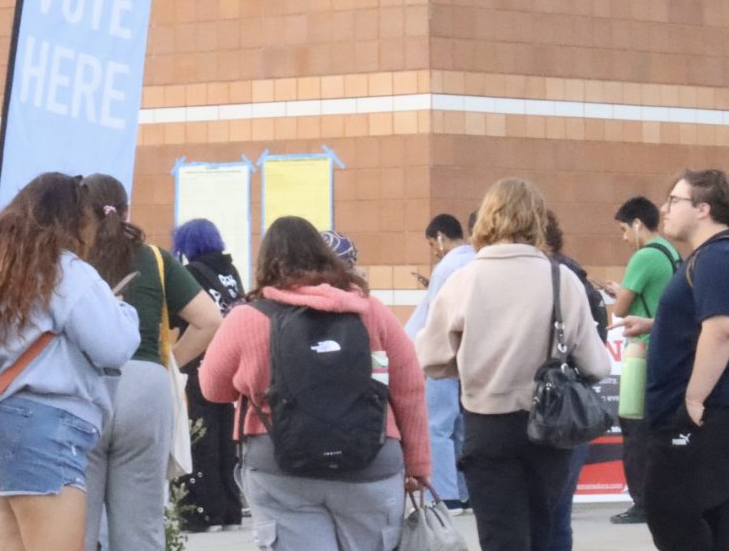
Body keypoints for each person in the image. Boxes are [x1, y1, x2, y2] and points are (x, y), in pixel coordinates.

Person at [0, 172, 140, 551]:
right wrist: (125, 312)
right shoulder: (66, 271)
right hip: (44, 430)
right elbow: (114, 345)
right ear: (74, 221)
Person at [200, 216, 430, 551]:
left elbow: (212, 389)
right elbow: (408, 387)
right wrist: (419, 465)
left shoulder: (247, 318)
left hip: (279, 466)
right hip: (371, 461)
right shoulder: (370, 311)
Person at [417, 179, 610, 551]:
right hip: (549, 427)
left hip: (486, 425)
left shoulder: (463, 279)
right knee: (545, 530)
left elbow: (432, 360)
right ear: (538, 220)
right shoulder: (561, 279)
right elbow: (596, 364)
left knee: (500, 537)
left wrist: (473, 362)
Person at [633, 169, 729, 551]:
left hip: (714, 410)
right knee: (724, 518)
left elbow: (722, 330)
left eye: (674, 201)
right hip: (726, 408)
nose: (664, 209)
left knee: (669, 506)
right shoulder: (717, 256)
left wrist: (693, 399)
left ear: (703, 208)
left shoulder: (720, 256)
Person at [81, 174, 223, 551]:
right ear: (126, 210)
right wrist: (167, 362)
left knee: (80, 525)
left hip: (84, 387)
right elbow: (209, 320)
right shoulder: (156, 259)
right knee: (141, 527)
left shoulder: (72, 259)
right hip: (147, 386)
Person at [598, 196, 680, 525]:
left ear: (637, 224)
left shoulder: (643, 256)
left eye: (623, 230)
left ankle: (642, 501)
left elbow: (620, 311)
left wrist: (619, 294)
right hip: (665, 348)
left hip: (642, 349)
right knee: (656, 428)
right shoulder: (669, 251)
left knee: (634, 428)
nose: (622, 238)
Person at [171, 218, 245, 533]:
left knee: (199, 435)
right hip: (230, 363)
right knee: (226, 436)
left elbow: (179, 322)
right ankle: (230, 509)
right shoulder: (231, 274)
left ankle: (203, 512)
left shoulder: (189, 275)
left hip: (198, 361)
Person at [544, 209, 610, 551]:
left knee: (542, 515)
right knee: (558, 514)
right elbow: (596, 360)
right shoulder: (579, 279)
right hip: (571, 403)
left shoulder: (556, 278)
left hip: (544, 407)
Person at [405, 212, 475, 514]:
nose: (434, 250)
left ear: (441, 237)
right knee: (460, 426)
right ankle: (465, 491)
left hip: (443, 352)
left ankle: (446, 495)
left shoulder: (446, 267)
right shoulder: (478, 260)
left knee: (438, 426)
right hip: (470, 355)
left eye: (433, 244)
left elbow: (433, 315)